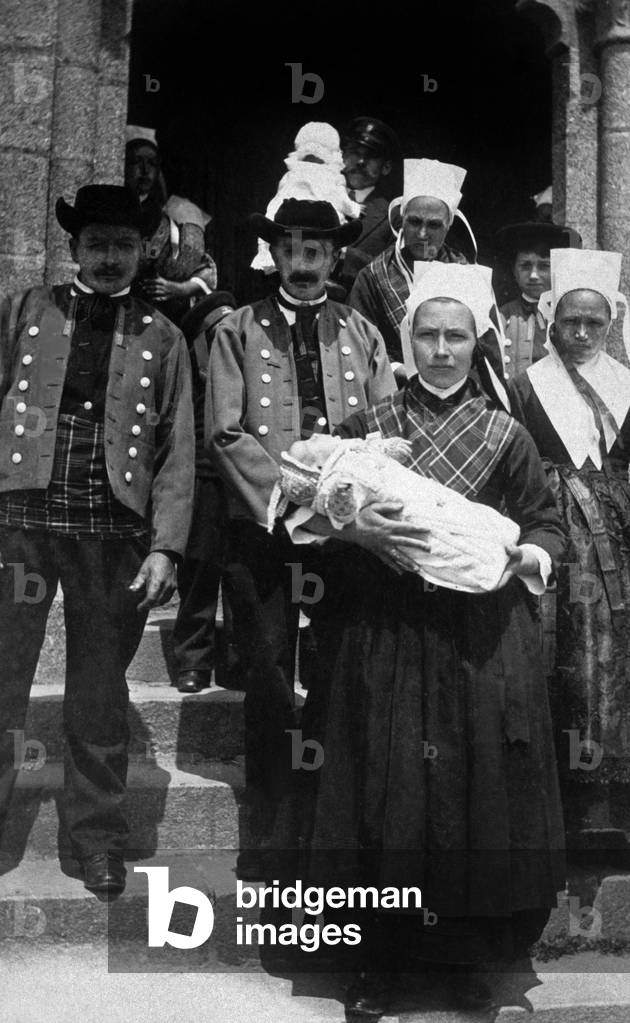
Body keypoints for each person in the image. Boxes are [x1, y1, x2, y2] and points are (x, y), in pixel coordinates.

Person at [288, 262, 565, 1020]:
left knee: (473, 794)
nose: (441, 349)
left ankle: (467, 959)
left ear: (477, 343)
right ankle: (379, 963)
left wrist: (531, 553)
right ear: (407, 341)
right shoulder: (369, 427)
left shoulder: (507, 433)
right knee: (383, 786)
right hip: (385, 629)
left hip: (477, 638)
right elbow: (306, 507)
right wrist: (349, 526)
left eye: (455, 335)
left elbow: (545, 519)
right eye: (427, 335)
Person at [0, 185, 194, 896]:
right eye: (96, 244)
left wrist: (166, 545)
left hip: (113, 532)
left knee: (98, 691)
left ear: (144, 251)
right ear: (74, 249)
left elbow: (177, 450)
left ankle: (98, 838)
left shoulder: (163, 336)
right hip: (18, 525)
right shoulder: (26, 310)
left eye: (123, 245)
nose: (110, 257)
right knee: (1, 679)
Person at [205, 199, 395, 876]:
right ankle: (271, 830)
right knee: (268, 677)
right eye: (293, 248)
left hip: (343, 534)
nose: (305, 260)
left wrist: (350, 493)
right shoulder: (236, 331)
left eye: (318, 248)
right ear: (275, 255)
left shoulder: (362, 332)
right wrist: (292, 492)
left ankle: (329, 827)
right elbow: (225, 430)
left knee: (341, 672)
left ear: (335, 256)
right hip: (264, 532)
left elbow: (383, 427)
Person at [508, 247, 630, 841]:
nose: (581, 334)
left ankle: (609, 809)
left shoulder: (625, 385)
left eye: (595, 323)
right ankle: (554, 807)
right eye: (570, 322)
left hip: (620, 539)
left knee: (613, 659)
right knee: (559, 654)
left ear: (613, 324)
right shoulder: (527, 385)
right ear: (550, 322)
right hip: (553, 529)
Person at [172, 291, 238, 694]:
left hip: (242, 484)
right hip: (201, 481)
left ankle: (235, 658)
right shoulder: (188, 379)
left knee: (241, 576)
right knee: (197, 572)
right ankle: (193, 660)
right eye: (215, 333)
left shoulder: (247, 374)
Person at [348, 158, 472, 371]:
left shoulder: (465, 273)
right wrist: (397, 369)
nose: (422, 234)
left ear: (448, 226)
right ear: (402, 219)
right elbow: (360, 343)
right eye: (414, 222)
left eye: (434, 225)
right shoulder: (373, 276)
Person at [124, 125, 217, 325]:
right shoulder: (111, 212)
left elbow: (206, 272)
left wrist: (176, 288)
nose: (145, 170)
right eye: (136, 161)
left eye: (152, 163)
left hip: (161, 319)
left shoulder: (173, 217)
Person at [251, 122, 362, 273]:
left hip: (296, 222)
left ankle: (271, 254)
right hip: (306, 221)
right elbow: (340, 200)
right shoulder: (329, 177)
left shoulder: (291, 175)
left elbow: (275, 204)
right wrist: (354, 209)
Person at [495, 221, 582, 378]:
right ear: (514, 270)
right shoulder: (500, 317)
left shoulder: (572, 318)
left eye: (543, 266)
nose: (533, 275)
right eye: (525, 266)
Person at [334, 116, 400, 293]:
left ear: (386, 167)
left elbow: (392, 275)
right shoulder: (314, 191)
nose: (361, 161)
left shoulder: (393, 218)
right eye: (355, 152)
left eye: (371, 156)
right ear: (342, 155)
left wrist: (343, 255)